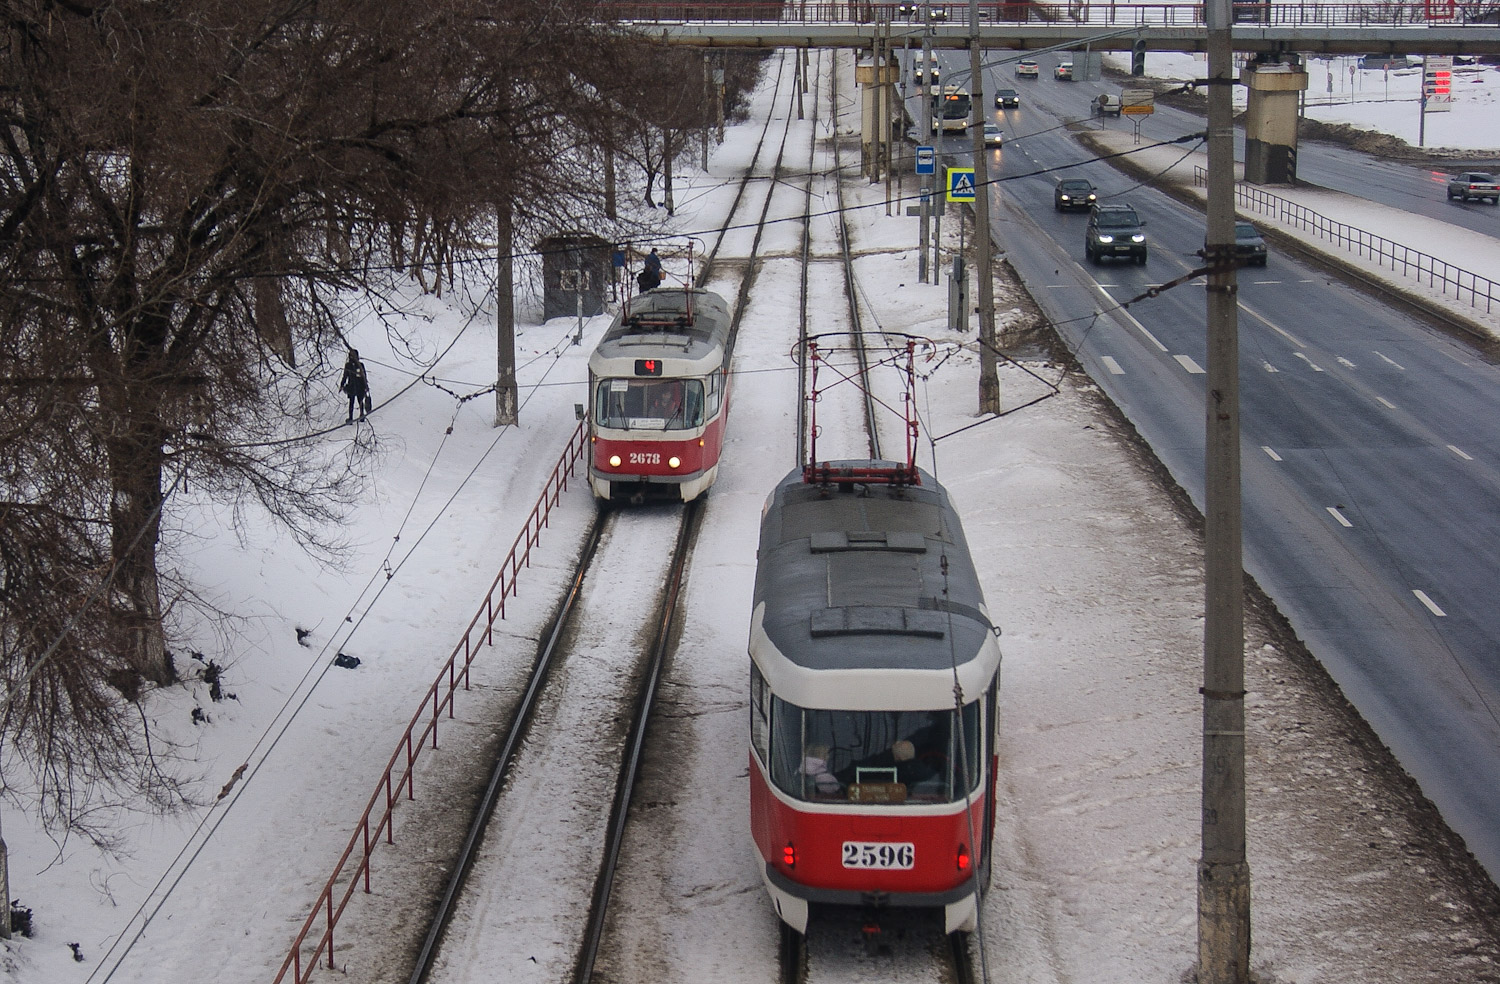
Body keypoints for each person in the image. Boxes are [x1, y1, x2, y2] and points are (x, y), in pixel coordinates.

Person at [339, 349, 370, 423]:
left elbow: (345, 376)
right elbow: (364, 376)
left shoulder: (349, 365)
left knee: (353, 402)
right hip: (359, 386)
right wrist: (366, 386)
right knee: (359, 401)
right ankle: (361, 415)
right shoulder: (358, 365)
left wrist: (342, 385)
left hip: (353, 386)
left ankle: (351, 417)